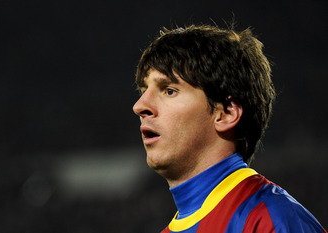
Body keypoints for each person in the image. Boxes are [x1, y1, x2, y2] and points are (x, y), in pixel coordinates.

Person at [132, 24, 326, 233]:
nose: (140, 106)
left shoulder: (271, 220)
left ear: (226, 113)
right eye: (144, 91)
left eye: (169, 90)